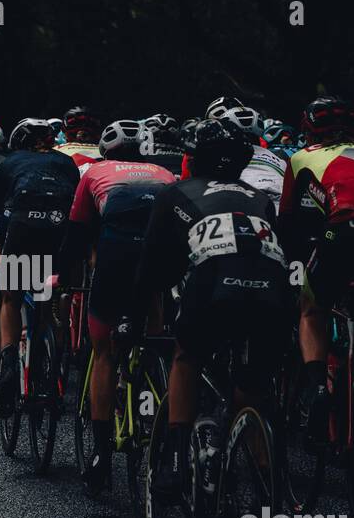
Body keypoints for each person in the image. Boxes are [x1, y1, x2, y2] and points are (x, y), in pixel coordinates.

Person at [119, 117, 291, 493]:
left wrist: (132, 320)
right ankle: (265, 479)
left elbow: (151, 270)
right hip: (273, 293)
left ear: (192, 160)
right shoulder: (259, 198)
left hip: (214, 284)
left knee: (188, 357)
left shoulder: (175, 193)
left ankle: (178, 460)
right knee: (252, 391)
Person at [277, 97, 354, 440]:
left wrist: (294, 264)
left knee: (311, 309)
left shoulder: (301, 157)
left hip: (343, 231)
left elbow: (288, 219)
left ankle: (318, 388)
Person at [60, 119, 175, 490]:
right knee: (152, 333)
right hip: (158, 258)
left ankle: (100, 453)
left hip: (116, 255)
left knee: (104, 351)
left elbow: (76, 233)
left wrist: (64, 277)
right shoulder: (164, 172)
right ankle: (159, 418)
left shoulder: (95, 171)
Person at [0, 117, 80, 416]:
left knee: (11, 296)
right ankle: (49, 365)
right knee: (46, 295)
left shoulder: (10, 163)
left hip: (22, 228)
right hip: (60, 230)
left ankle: (8, 361)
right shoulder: (66, 163)